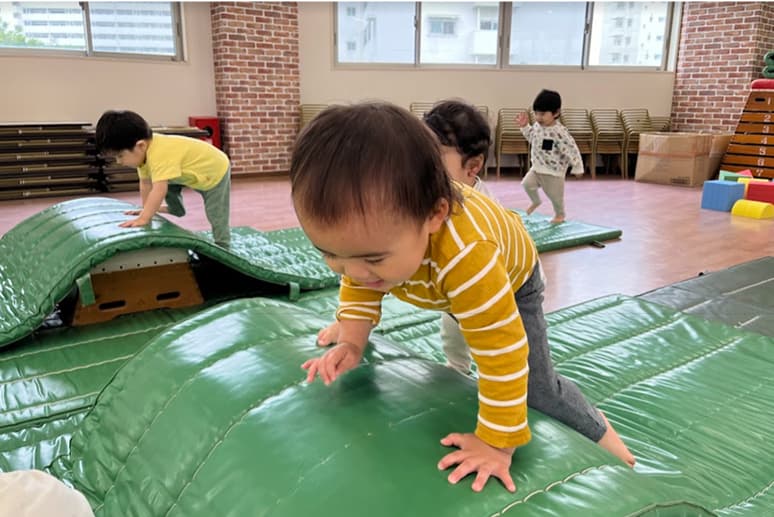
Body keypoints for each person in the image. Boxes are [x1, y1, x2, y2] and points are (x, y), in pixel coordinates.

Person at [290, 102, 635, 493]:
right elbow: (357, 283)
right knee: (390, 288)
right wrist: (352, 341)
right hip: (449, 284)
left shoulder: (467, 257)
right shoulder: (371, 249)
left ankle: (604, 434)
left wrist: (496, 444)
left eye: (372, 259)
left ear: (434, 216)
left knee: (536, 388)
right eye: (331, 255)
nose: (351, 271)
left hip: (511, 278)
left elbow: (502, 352)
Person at [317, 99, 496, 374]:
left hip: (496, 285)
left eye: (433, 158)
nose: (418, 166)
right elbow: (361, 275)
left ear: (472, 167)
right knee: (375, 266)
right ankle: (354, 326)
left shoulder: (476, 218)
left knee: (474, 333)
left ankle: (460, 368)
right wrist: (351, 332)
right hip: (446, 278)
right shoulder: (417, 195)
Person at [95, 110, 232, 247]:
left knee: (216, 212)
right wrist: (146, 210)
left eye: (120, 156)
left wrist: (144, 218)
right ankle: (176, 209)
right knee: (162, 179)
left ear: (140, 145)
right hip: (189, 172)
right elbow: (145, 184)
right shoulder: (143, 153)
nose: (119, 162)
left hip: (214, 171)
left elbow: (159, 190)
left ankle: (223, 243)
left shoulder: (160, 154)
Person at [518, 89, 584, 224]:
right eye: (536, 113)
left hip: (554, 173)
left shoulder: (559, 132)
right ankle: (536, 201)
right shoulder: (537, 126)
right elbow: (532, 137)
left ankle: (560, 215)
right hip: (537, 168)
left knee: (555, 197)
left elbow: (571, 149)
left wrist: (577, 167)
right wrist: (525, 127)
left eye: (542, 114)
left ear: (556, 113)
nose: (538, 117)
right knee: (527, 184)